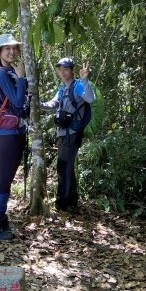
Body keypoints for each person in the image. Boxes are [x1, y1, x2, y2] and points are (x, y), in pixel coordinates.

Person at [0, 33, 30, 241]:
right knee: (3, 180)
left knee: (8, 179)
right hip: (7, 132)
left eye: (14, 48)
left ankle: (0, 218)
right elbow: (18, 102)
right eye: (7, 48)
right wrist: (21, 78)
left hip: (16, 130)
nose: (12, 51)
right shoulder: (1, 74)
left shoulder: (9, 71)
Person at [41, 57, 95, 211]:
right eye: (61, 69)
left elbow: (90, 98)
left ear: (72, 70)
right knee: (68, 167)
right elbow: (52, 104)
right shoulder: (62, 89)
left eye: (66, 69)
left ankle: (61, 204)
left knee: (63, 167)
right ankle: (72, 201)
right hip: (63, 134)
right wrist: (36, 103)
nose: (63, 72)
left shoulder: (78, 86)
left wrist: (85, 80)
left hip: (73, 133)